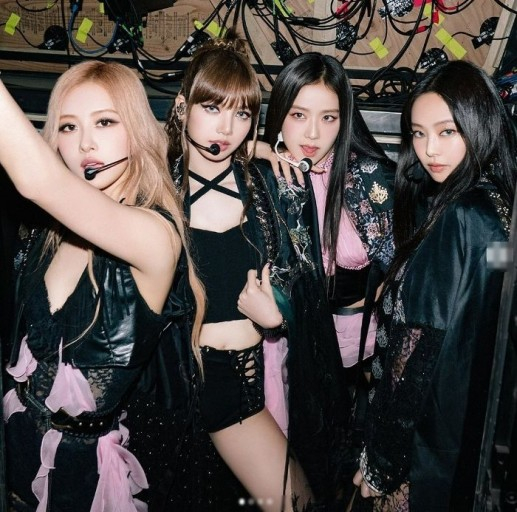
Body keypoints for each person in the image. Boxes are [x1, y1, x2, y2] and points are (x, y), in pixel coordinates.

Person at [0, 60, 204, 511]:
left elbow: (36, 179)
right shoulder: (47, 232)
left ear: (136, 131)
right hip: (15, 452)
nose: (85, 144)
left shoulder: (156, 237)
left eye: (105, 122)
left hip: (82, 480)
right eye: (68, 126)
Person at [161, 32, 348, 511]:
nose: (226, 127)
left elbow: (306, 287)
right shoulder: (156, 189)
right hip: (182, 385)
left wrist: (277, 315)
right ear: (182, 107)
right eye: (211, 108)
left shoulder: (269, 183)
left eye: (242, 114)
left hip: (245, 383)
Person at [353, 60, 516, 511]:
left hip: (427, 447)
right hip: (471, 436)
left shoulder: (461, 216)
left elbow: (418, 353)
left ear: (479, 123)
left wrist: (381, 460)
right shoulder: (497, 202)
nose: (429, 150)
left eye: (447, 131)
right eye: (418, 133)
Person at [257, 53, 395, 447]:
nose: (313, 133)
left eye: (328, 117)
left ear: (343, 119)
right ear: (279, 114)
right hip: (288, 349)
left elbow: (403, 266)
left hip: (361, 347)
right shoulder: (264, 177)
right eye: (299, 115)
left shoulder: (365, 175)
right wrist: (254, 149)